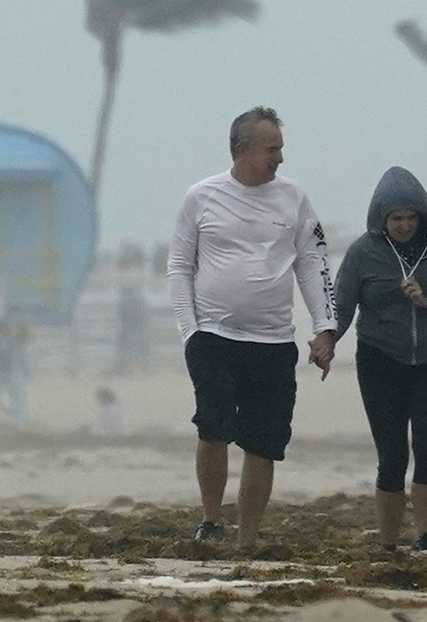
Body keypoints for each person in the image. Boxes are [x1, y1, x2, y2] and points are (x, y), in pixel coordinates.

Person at [167, 106, 337, 548]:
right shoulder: (201, 197)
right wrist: (191, 331)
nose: (279, 158)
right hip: (214, 337)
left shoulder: (294, 198)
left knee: (263, 442)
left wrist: (325, 328)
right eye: (272, 149)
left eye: (281, 149)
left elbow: (313, 261)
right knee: (215, 427)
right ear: (241, 150)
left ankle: (247, 537)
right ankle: (211, 519)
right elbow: (180, 266)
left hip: (274, 341)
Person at [333, 166, 427, 553]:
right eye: (397, 219)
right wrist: (326, 342)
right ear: (381, 219)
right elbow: (342, 307)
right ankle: (389, 540)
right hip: (380, 360)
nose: (405, 226)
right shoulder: (363, 252)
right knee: (392, 455)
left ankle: (424, 533)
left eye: (412, 218)